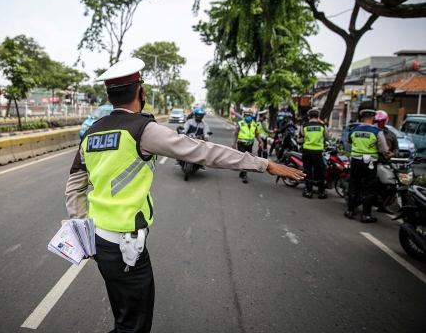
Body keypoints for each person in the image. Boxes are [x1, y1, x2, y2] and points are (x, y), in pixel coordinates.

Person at [65, 58, 304, 333]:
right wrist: (265, 164)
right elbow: (205, 152)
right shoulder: (143, 130)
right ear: (140, 93)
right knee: (134, 326)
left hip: (99, 242)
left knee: (123, 316)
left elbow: (74, 187)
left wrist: (84, 235)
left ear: (109, 96)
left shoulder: (91, 134)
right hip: (126, 248)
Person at [344, 105, 389, 223]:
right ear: (373, 118)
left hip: (355, 161)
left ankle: (350, 211)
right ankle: (366, 215)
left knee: (353, 186)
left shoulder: (354, 130)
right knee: (368, 188)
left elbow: (349, 141)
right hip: (370, 163)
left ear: (361, 118)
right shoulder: (377, 132)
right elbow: (383, 149)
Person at [298, 108, 330, 199]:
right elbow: (327, 138)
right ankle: (321, 193)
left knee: (307, 172)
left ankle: (309, 192)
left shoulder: (304, 126)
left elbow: (299, 139)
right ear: (318, 117)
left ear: (309, 117)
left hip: (307, 151)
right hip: (317, 152)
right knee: (320, 171)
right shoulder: (322, 126)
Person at [375, 110, 399, 213]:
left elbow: (396, 148)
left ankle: (383, 205)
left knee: (390, 185)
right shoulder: (373, 132)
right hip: (373, 162)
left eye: (382, 121)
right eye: (378, 121)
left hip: (386, 164)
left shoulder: (391, 135)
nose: (380, 123)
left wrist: (393, 154)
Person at [232, 107, 263, 183]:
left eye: (249, 115)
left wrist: (261, 142)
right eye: (246, 115)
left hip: (250, 145)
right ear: (244, 115)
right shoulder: (240, 124)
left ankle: (242, 172)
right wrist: (233, 144)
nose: (248, 116)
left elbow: (257, 135)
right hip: (241, 144)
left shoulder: (254, 124)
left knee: (248, 159)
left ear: (252, 115)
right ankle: (245, 175)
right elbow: (235, 134)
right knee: (244, 159)